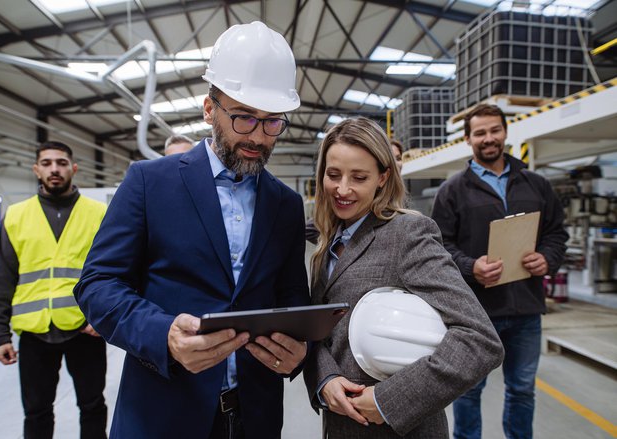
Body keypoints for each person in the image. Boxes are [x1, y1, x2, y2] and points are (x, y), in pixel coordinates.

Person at [73, 21, 310, 439]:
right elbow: (97, 284)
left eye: (273, 122)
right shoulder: (149, 182)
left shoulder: (286, 205)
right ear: (208, 109)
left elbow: (290, 295)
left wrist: (297, 350)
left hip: (254, 414)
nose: (258, 136)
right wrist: (162, 334)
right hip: (164, 411)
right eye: (243, 118)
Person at [303, 117, 504, 438]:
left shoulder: (407, 233)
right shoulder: (328, 242)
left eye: (359, 177)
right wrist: (325, 379)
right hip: (340, 425)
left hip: (401, 430)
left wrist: (386, 401)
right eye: (333, 174)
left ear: (383, 177)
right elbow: (319, 332)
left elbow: (479, 341)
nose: (342, 189)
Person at [430, 104, 569, 439]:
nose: (488, 138)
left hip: (526, 310)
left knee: (522, 390)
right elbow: (439, 247)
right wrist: (471, 267)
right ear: (468, 139)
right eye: (480, 132)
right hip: (476, 314)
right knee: (468, 390)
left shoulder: (536, 185)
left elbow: (556, 233)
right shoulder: (452, 191)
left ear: (505, 132)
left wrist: (547, 259)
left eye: (494, 130)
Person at [0, 141, 108, 439]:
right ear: (37, 169)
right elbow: (1, 279)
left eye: (62, 163)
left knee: (92, 406)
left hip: (84, 330)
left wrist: (104, 318)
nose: (55, 169)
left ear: (73, 168)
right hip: (34, 334)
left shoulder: (99, 213)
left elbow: (116, 271)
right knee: (37, 412)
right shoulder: (16, 216)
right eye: (48, 163)